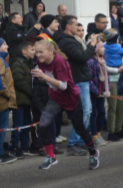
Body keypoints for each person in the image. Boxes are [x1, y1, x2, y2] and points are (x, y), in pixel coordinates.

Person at [31, 38, 100, 170]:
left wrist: (44, 77)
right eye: (36, 52)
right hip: (55, 97)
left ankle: (93, 152)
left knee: (80, 128)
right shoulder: (40, 61)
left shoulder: (59, 61)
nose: (38, 55)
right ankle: (51, 156)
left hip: (70, 98)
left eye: (41, 52)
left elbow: (63, 86)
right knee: (44, 123)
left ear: (51, 51)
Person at [56, 15, 100, 155]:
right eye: (75, 25)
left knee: (86, 112)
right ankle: (74, 143)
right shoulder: (66, 42)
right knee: (84, 112)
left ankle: (80, 142)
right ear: (68, 27)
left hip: (81, 79)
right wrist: (92, 44)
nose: (78, 27)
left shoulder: (71, 40)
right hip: (77, 80)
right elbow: (82, 57)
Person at [10, 41, 35, 159]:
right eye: (32, 49)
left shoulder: (28, 63)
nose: (34, 52)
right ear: (24, 51)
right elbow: (18, 80)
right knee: (18, 124)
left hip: (26, 99)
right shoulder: (17, 62)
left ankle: (25, 147)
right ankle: (14, 147)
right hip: (20, 99)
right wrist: (32, 92)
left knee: (26, 124)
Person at [103, 29, 123, 141]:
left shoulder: (104, 47)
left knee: (120, 106)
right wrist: (118, 69)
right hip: (112, 80)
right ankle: (111, 131)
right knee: (114, 107)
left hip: (121, 79)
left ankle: (118, 129)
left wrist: (119, 69)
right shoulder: (118, 48)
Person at [0, 38, 15, 164]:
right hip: (0, 100)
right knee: (0, 128)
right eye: (4, 44)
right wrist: (6, 93)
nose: (7, 46)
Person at [87, 43, 109, 147]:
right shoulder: (90, 62)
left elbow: (106, 76)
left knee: (102, 112)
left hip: (101, 92)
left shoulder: (102, 60)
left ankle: (99, 133)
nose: (103, 48)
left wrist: (106, 89)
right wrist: (96, 91)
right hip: (93, 93)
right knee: (94, 113)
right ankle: (94, 135)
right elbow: (89, 79)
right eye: (101, 47)